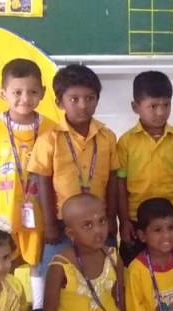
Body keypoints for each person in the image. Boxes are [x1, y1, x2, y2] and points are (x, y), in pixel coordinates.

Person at [28, 65, 119, 293]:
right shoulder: (49, 139)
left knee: (105, 277)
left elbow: (113, 180)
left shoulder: (107, 137)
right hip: (62, 224)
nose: (83, 105)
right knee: (56, 278)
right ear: (60, 102)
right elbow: (43, 183)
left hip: (99, 222)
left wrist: (111, 218)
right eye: (74, 99)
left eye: (90, 98)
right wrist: (49, 224)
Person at [0, 59, 55, 270]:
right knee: (6, 265)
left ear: (43, 92)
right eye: (17, 92)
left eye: (32, 92)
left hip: (40, 214)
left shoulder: (51, 129)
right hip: (3, 216)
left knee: (38, 266)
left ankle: (37, 294)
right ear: (2, 93)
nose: (25, 98)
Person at [116, 71, 173, 264]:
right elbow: (120, 184)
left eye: (166, 105)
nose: (160, 112)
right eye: (153, 106)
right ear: (135, 107)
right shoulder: (125, 142)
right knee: (135, 266)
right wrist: (124, 220)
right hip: (137, 219)